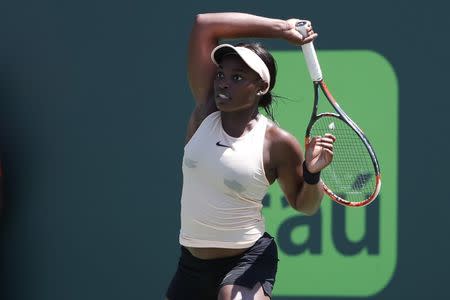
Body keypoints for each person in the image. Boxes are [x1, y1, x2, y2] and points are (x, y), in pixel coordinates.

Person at [166, 12, 336, 300]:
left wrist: (312, 174)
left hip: (247, 260)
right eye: (221, 74)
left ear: (261, 87)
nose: (223, 83)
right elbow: (203, 24)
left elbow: (304, 205)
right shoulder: (205, 112)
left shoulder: (276, 142)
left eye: (237, 77)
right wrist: (283, 29)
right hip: (191, 265)